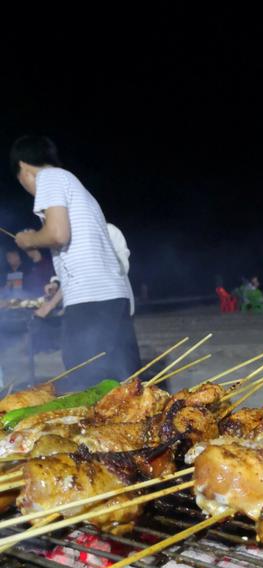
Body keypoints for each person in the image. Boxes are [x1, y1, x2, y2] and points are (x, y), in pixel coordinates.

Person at [10, 135, 141, 389]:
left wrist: (30, 240)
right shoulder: (70, 184)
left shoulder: (50, 177)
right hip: (104, 300)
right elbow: (80, 258)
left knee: (88, 387)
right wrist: (58, 287)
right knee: (121, 389)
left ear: (24, 168)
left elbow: (58, 234)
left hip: (92, 302)